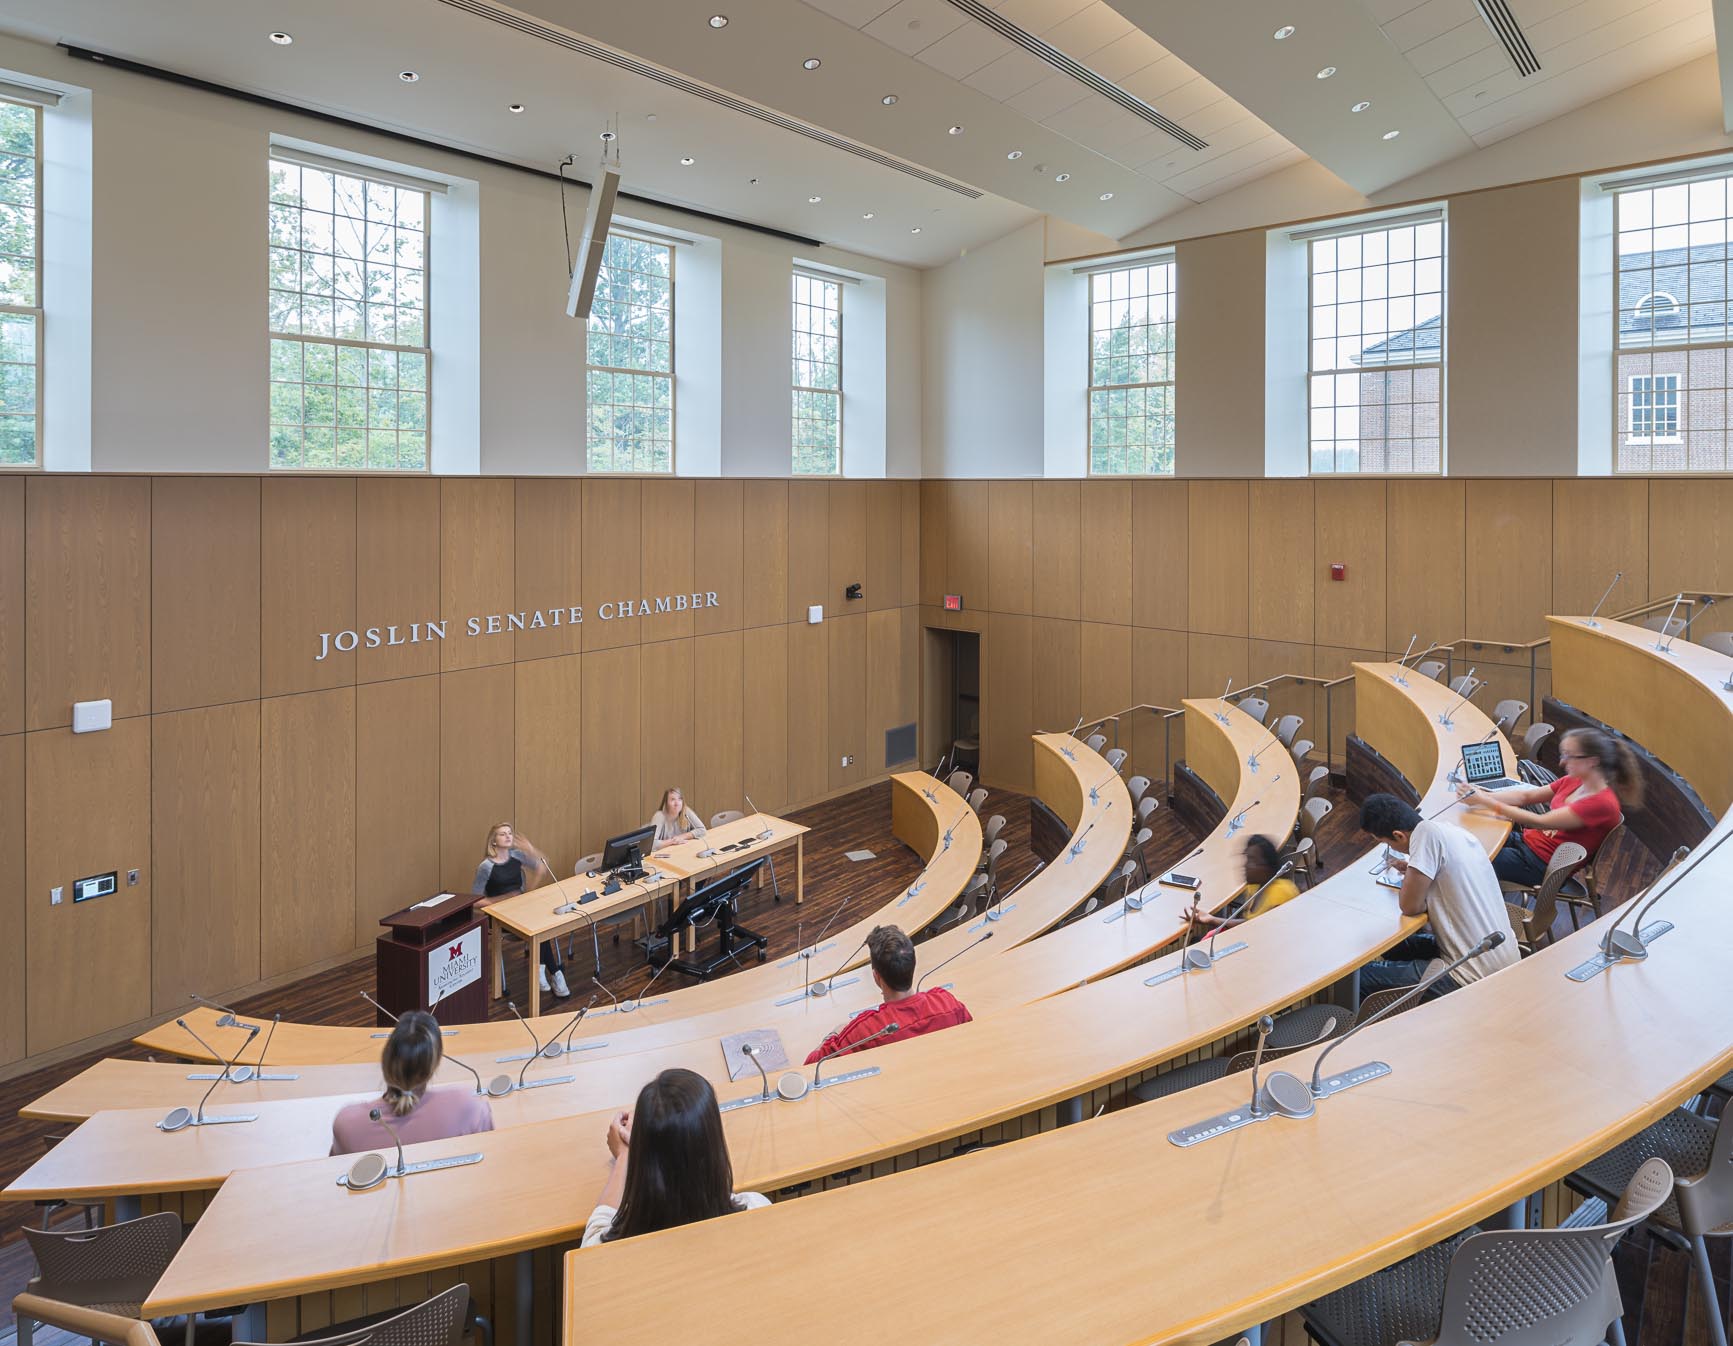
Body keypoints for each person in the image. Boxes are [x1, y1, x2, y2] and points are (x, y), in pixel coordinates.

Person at [1356, 793, 1519, 999]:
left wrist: (1414, 875)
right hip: (1503, 958)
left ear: (1399, 835)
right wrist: (1416, 869)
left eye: (1386, 843)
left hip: (1469, 976)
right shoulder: (1453, 831)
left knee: (1359, 979)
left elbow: (1410, 906)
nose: (1391, 849)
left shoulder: (1425, 836)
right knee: (1397, 947)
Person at [582, 1068, 769, 1246]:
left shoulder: (604, 1251)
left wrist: (625, 1156)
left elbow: (597, 1225)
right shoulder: (757, 1211)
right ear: (712, 1141)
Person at [1462, 727, 1641, 887]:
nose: (1562, 762)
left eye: (1569, 756)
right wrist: (1482, 796)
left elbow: (1540, 821)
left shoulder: (1601, 804)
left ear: (1592, 761)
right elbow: (1526, 796)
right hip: (1528, 842)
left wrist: (1486, 802)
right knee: (1469, 841)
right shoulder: (1575, 780)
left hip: (1540, 865)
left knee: (1469, 862)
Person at [330, 1010, 494, 1156]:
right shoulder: (468, 1105)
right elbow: (489, 1157)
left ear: (385, 1059)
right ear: (434, 1064)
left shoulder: (347, 1124)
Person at [804, 925, 972, 1065]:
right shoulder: (946, 1002)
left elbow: (812, 1065)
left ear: (876, 976)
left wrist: (835, 1033)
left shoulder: (866, 1031)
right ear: (913, 965)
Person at [471, 822, 570, 999]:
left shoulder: (516, 855)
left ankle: (544, 970)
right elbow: (475, 901)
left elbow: (542, 866)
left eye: (510, 833)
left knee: (541, 924)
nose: (508, 836)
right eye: (502, 834)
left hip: (522, 908)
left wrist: (531, 850)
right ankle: (554, 973)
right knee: (537, 927)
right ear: (493, 841)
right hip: (500, 916)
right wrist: (501, 899)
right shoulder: (485, 866)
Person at [1183, 834, 1298, 934]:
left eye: (1252, 860)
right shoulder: (1255, 886)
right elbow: (1250, 924)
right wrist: (1212, 919)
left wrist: (1214, 920)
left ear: (1266, 867)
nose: (1245, 865)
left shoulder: (1282, 893)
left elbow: (1259, 931)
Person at [650, 787, 707, 852]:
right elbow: (651, 845)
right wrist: (672, 841)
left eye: (680, 799)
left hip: (682, 850)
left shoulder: (686, 811)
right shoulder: (659, 816)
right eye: (672, 800)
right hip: (665, 853)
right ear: (666, 803)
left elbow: (702, 830)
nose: (677, 803)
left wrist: (682, 837)